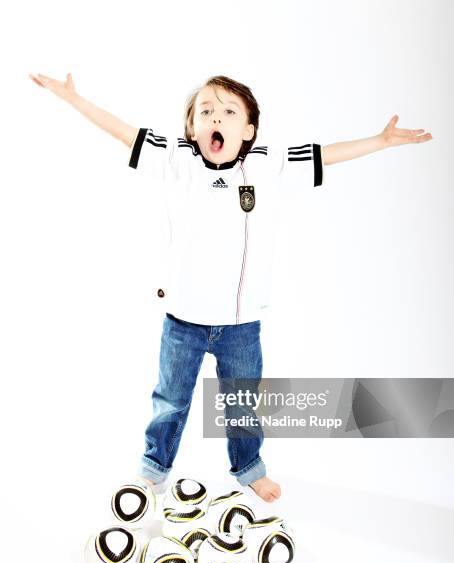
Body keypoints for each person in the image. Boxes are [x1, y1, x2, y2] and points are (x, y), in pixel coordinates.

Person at [29, 72, 432, 502]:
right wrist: (73, 98)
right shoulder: (177, 159)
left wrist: (379, 141)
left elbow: (327, 155)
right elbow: (123, 132)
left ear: (249, 130)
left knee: (242, 405)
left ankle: (249, 467)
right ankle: (153, 469)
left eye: (227, 112)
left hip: (240, 325)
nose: (214, 118)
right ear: (191, 129)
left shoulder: (267, 162)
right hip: (182, 320)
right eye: (205, 111)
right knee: (170, 402)